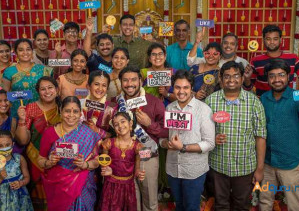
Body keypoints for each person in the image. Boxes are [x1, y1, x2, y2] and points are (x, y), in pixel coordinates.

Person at [205, 61, 267, 211]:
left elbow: (260, 137)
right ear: (221, 79)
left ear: (241, 78)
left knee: (241, 204)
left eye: (235, 76)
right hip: (218, 165)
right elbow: (203, 133)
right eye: (227, 76)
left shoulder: (254, 102)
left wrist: (259, 168)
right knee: (220, 204)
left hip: (245, 167)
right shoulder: (210, 101)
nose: (231, 80)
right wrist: (212, 138)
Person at [114, 66, 168, 211]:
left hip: (147, 156)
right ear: (120, 83)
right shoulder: (116, 103)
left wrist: (149, 124)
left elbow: (167, 131)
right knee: (131, 201)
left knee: (150, 201)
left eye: (133, 80)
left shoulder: (154, 102)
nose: (129, 83)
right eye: (125, 80)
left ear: (140, 81)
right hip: (124, 158)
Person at [161, 69, 215, 211]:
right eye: (178, 87)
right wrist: (165, 143)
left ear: (192, 88)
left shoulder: (204, 110)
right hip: (173, 168)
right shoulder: (169, 108)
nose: (181, 91)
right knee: (179, 205)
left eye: (185, 87)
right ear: (173, 88)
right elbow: (165, 137)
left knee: (191, 207)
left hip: (194, 170)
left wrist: (183, 147)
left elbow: (210, 143)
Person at [37, 96, 101, 211]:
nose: (71, 115)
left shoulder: (88, 134)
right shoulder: (50, 133)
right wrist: (49, 162)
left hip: (83, 184)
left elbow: (97, 161)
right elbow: (40, 160)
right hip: (59, 186)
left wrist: (85, 165)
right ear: (60, 111)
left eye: (75, 111)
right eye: (67, 111)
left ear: (80, 113)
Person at [259, 59, 299, 210]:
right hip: (268, 162)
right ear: (268, 79)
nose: (277, 80)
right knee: (265, 201)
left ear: (289, 77)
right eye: (272, 76)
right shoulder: (264, 98)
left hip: (292, 162)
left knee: (295, 204)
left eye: (281, 75)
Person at [15, 76, 61, 211]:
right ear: (38, 92)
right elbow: (23, 140)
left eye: (50, 88)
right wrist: (22, 120)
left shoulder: (64, 108)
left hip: (58, 161)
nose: (47, 92)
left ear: (57, 90)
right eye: (43, 89)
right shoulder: (31, 108)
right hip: (34, 161)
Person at [99, 112, 145, 211]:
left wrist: (139, 174)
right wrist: (105, 170)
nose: (120, 126)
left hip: (128, 188)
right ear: (114, 128)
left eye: (123, 122)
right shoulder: (108, 143)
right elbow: (103, 164)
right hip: (111, 186)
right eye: (116, 124)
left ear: (130, 123)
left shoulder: (137, 146)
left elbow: (136, 169)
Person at [244, 25, 299, 96]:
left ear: (280, 39)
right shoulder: (255, 61)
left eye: (275, 39)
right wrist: (247, 79)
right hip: (263, 104)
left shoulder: (293, 58)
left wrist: (297, 97)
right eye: (268, 39)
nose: (272, 42)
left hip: (287, 105)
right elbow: (248, 88)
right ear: (263, 40)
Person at [2, 38, 53, 117]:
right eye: (21, 50)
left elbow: (51, 90)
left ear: (32, 51)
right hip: (18, 113)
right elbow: (5, 95)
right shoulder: (9, 72)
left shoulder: (42, 69)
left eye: (28, 49)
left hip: (40, 113)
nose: (25, 53)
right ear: (16, 53)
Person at [0, 130, 33, 211]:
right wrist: (0, 179)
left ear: (12, 144)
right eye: (0, 145)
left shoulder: (19, 159)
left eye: (7, 145)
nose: (4, 148)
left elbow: (27, 177)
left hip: (19, 198)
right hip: (0, 202)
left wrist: (21, 183)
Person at [141, 42, 176, 107]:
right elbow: (137, 95)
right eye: (153, 54)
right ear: (149, 58)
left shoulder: (173, 73)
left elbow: (181, 98)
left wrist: (166, 94)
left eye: (160, 54)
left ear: (165, 57)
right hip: (147, 110)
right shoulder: (142, 73)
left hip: (169, 111)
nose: (157, 57)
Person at [82, 70, 113, 139]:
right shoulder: (79, 105)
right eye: (96, 84)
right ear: (88, 86)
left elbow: (115, 136)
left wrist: (97, 130)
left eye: (104, 85)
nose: (100, 88)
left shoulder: (111, 108)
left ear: (107, 89)